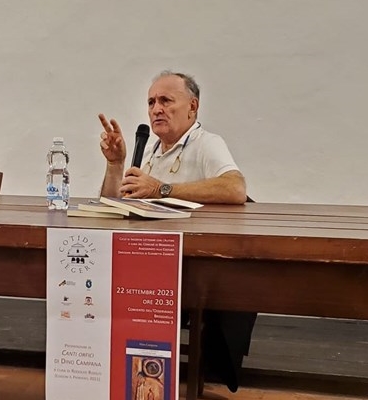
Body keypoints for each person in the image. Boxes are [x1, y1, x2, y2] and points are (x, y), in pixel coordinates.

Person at [98, 71, 255, 392]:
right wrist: (115, 165)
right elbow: (114, 207)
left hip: (185, 268)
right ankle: (110, 377)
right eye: (151, 102)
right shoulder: (150, 150)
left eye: (166, 101)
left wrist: (162, 189)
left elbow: (236, 188)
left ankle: (143, 383)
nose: (156, 109)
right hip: (141, 260)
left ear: (192, 107)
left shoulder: (206, 143)